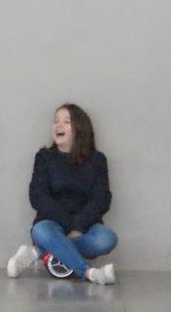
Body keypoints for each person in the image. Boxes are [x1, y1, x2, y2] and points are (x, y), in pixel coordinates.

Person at [6, 104, 118, 285]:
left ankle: (38, 252)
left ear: (80, 129)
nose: (58, 125)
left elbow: (101, 199)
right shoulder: (44, 157)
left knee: (107, 239)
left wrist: (78, 228)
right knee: (41, 231)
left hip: (86, 227)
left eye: (66, 122)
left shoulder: (97, 160)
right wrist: (69, 226)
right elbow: (37, 196)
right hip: (51, 225)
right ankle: (89, 273)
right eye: (56, 121)